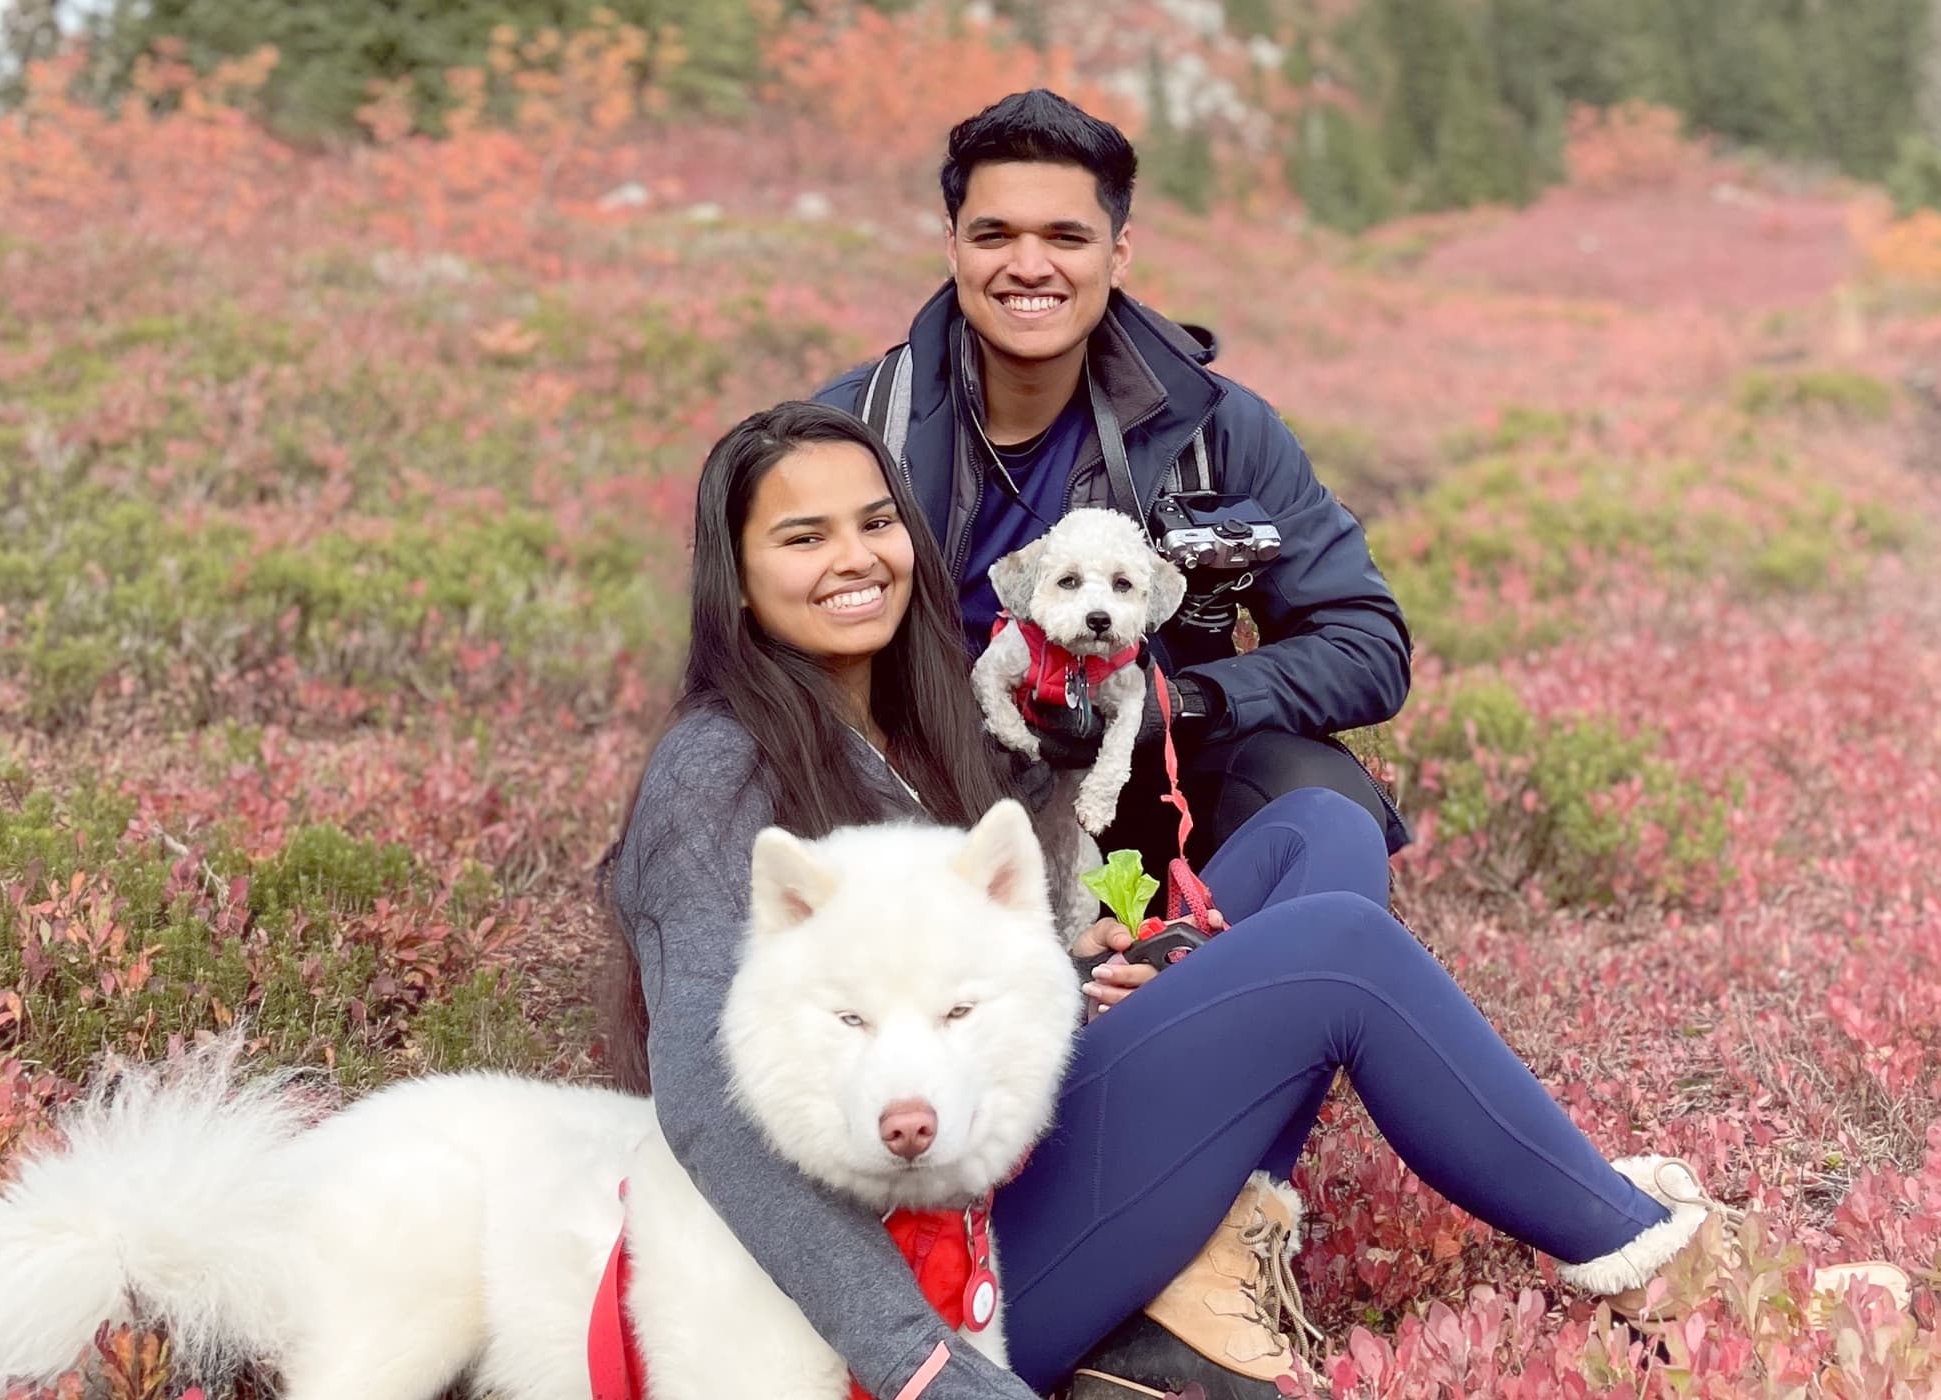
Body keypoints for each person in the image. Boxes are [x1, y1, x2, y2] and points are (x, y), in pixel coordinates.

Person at [598, 401, 1905, 1400]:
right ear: (739, 570)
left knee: (1318, 835)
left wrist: (1074, 959)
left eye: (874, 521)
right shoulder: (717, 776)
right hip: (944, 1286)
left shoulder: (919, 706)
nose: (855, 558)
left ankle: (1207, 1278)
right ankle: (1656, 1266)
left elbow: (955, 964)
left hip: (1001, 1146)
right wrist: (922, 1367)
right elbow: (711, 1110)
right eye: (802, 534)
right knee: (1335, 950)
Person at [814, 89, 1412, 875]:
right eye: (995, 234)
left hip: (1137, 792)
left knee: (1318, 800)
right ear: (952, 245)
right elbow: (744, 662)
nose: (1030, 265)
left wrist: (1181, 704)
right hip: (916, 798)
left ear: (1118, 251)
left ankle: (1203, 972)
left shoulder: (1217, 429)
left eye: (1066, 236)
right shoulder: (850, 434)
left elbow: (1364, 645)